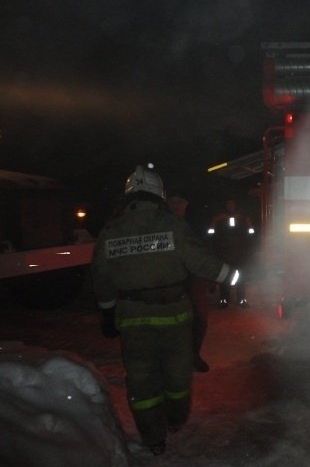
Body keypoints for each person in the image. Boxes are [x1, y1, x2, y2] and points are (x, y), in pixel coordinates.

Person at [91, 166, 239, 456]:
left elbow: (101, 277)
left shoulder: (111, 231)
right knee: (177, 377)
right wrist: (234, 277)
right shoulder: (173, 225)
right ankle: (175, 419)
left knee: (141, 380)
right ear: (160, 194)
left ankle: (153, 438)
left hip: (133, 318)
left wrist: (107, 312)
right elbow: (201, 261)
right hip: (175, 316)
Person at [167, 194, 212, 373]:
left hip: (194, 278)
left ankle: (194, 355)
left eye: (181, 204)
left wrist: (211, 275)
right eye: (174, 204)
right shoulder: (161, 226)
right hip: (171, 279)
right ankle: (175, 358)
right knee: (174, 322)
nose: (178, 207)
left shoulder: (194, 226)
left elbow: (205, 251)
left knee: (200, 319)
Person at [208, 199, 254, 307]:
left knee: (240, 276)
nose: (230, 206)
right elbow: (211, 234)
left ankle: (241, 300)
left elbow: (251, 233)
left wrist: (248, 223)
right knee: (224, 276)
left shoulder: (242, 217)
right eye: (228, 203)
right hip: (225, 252)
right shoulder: (220, 218)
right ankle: (224, 300)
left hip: (239, 252)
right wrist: (215, 222)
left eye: (233, 203)